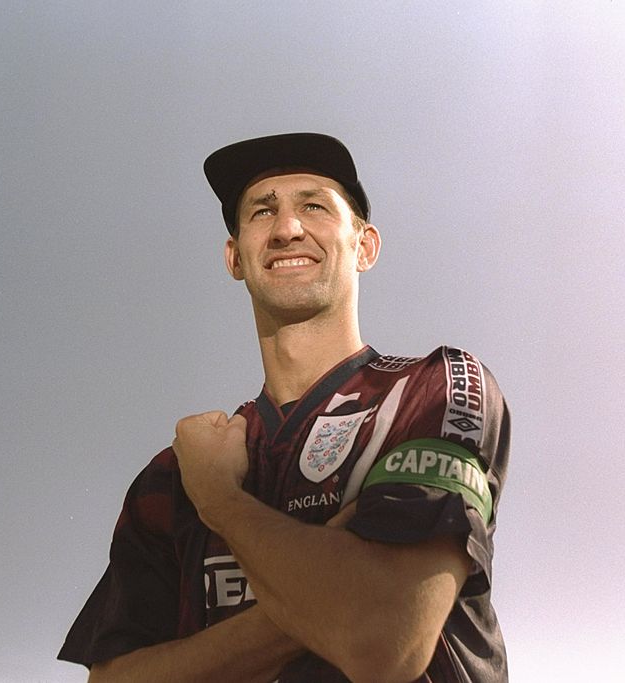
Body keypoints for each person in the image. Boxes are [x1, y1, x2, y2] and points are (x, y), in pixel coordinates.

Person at [58, 132, 511, 682]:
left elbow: (384, 638)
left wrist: (222, 503)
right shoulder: (176, 471)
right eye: (262, 211)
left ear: (364, 246)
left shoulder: (434, 388)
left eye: (314, 206)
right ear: (235, 258)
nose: (287, 228)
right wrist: (336, 588)